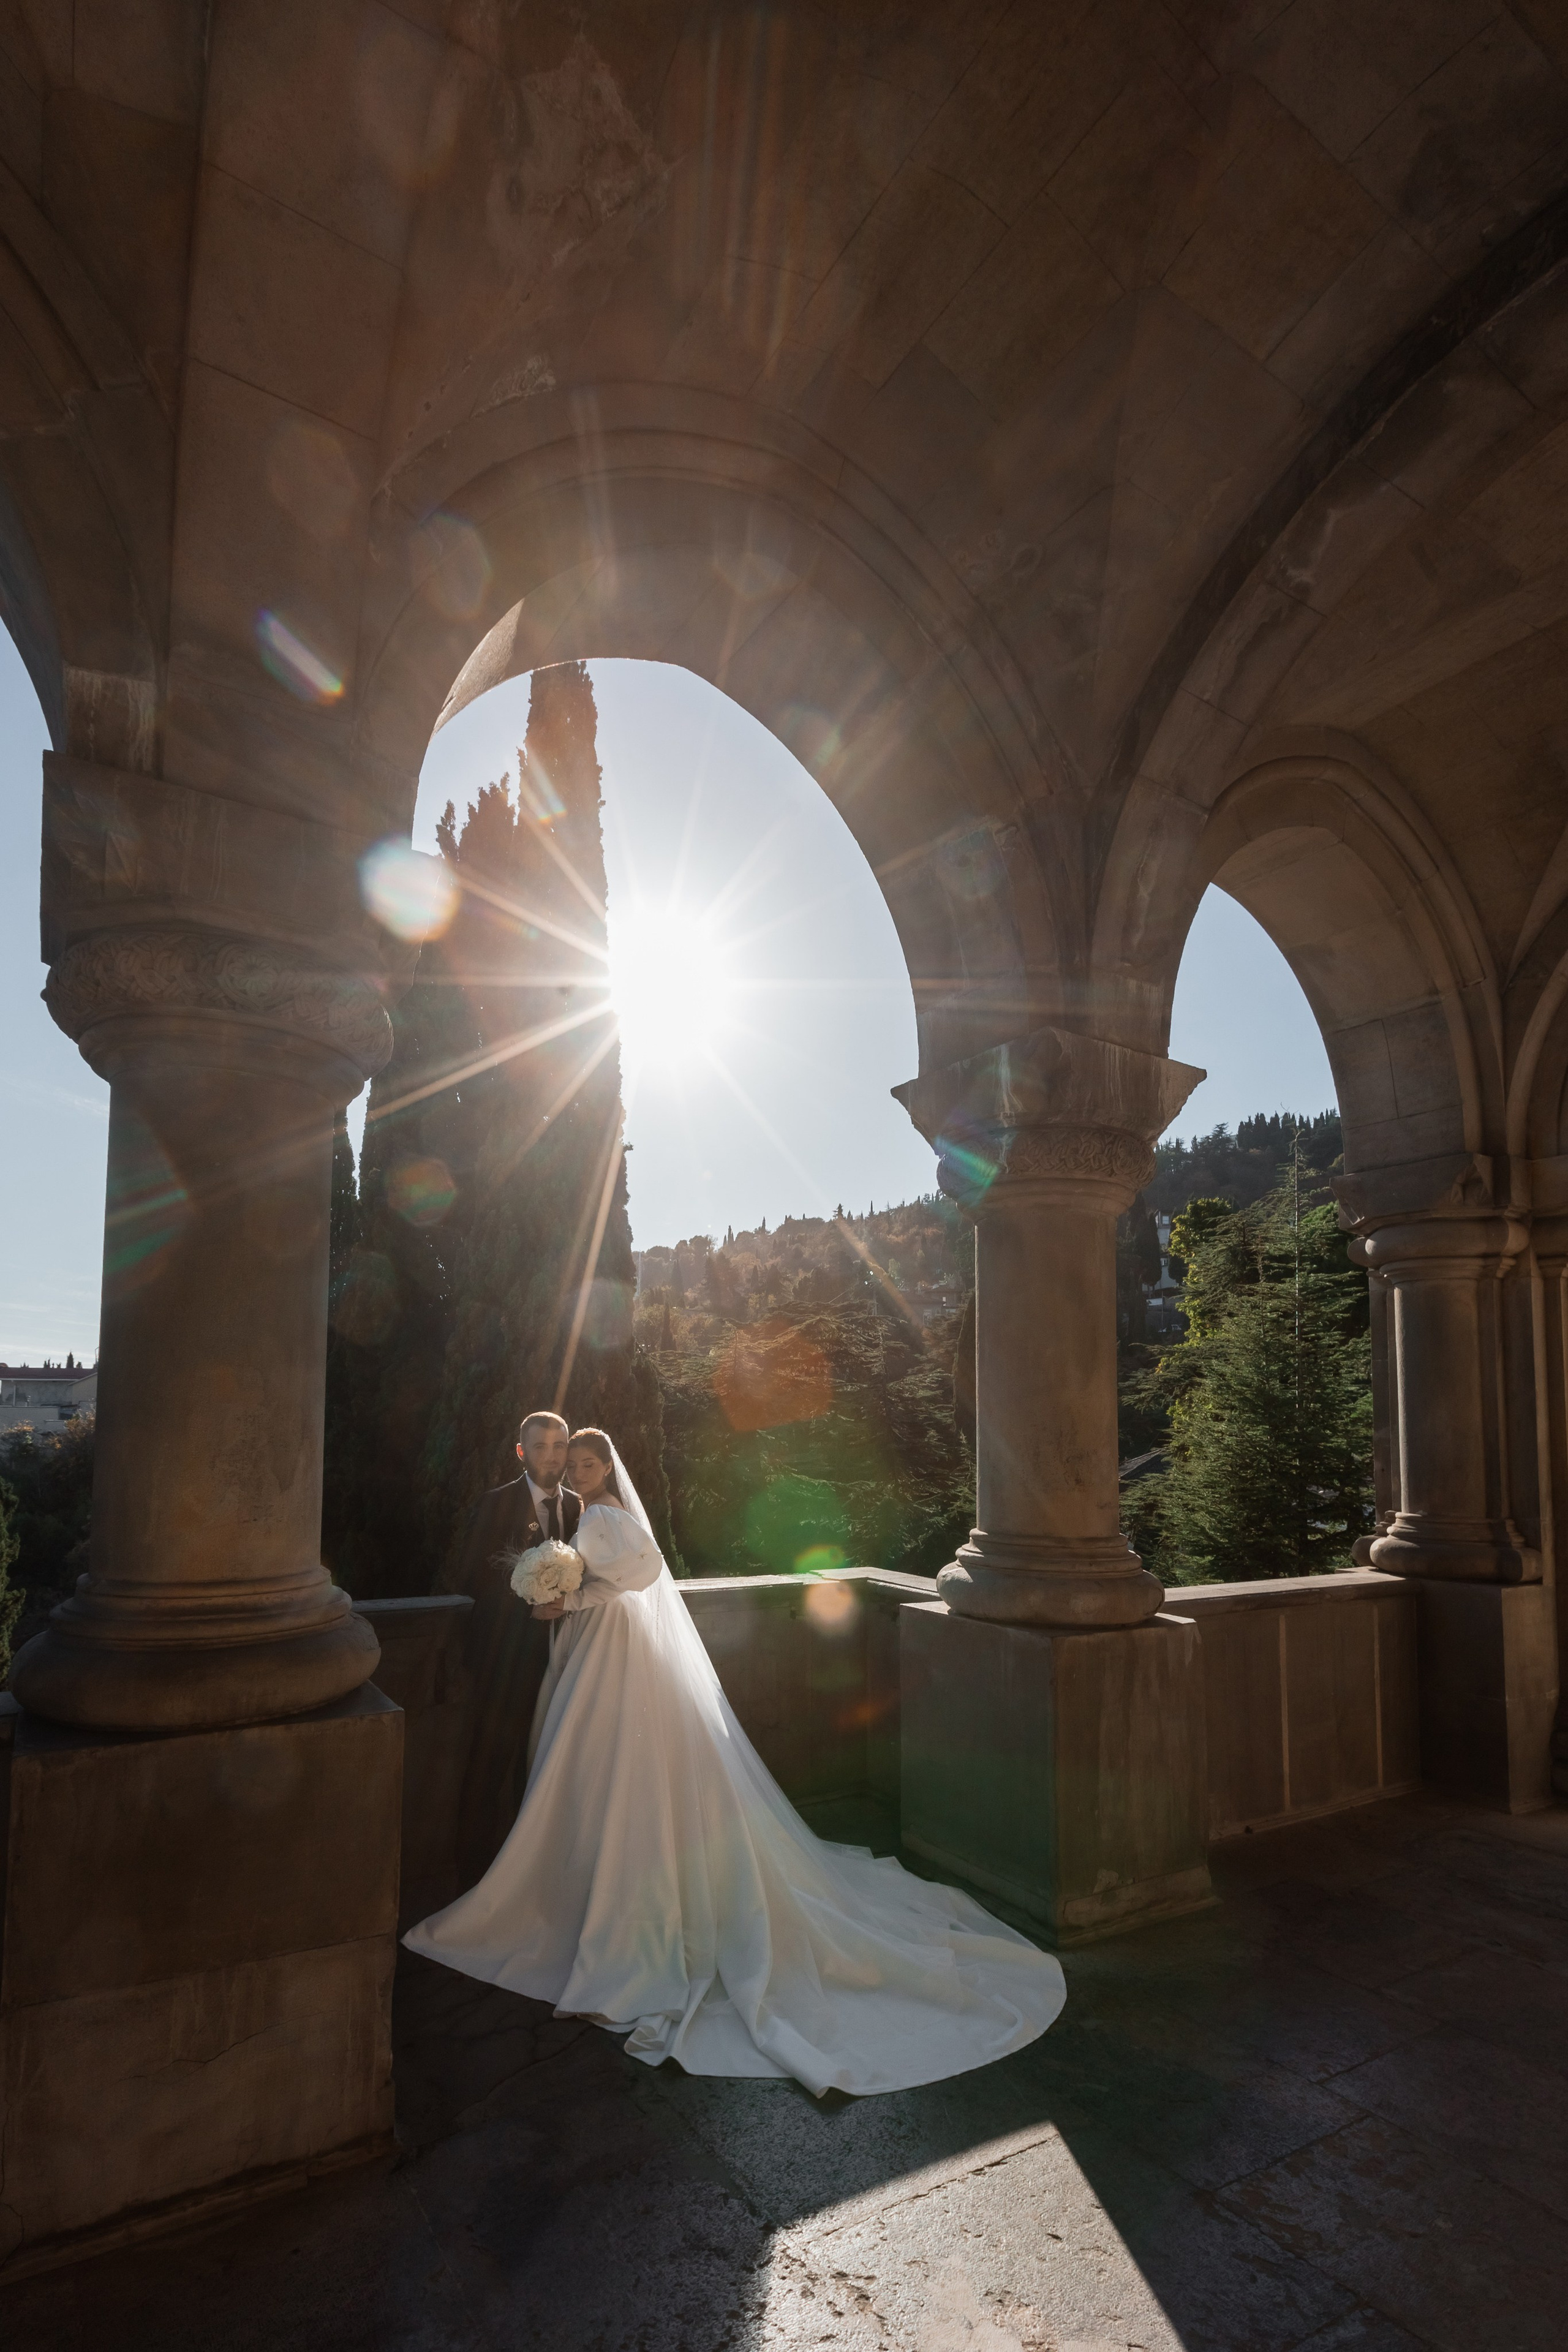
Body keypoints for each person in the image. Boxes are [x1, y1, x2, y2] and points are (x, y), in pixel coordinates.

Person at [406, 1427, 1066, 2097]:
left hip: (609, 1642)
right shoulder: (592, 1511)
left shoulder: (604, 1512)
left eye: (585, 1461)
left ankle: (613, 1908)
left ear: (607, 1465)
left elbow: (642, 1573)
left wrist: (569, 1598)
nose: (575, 1470)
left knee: (607, 1759)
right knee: (602, 1762)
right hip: (601, 1644)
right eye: (569, 1462)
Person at [446, 1410, 581, 1883]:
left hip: (565, 1663)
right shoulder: (495, 1505)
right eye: (540, 1447)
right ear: (522, 1452)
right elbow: (473, 1581)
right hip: (505, 1664)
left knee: (546, 1771)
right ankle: (474, 1880)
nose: (551, 1456)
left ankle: (534, 1877)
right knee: (489, 1768)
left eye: (559, 1446)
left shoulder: (580, 1509)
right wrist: (527, 1608)